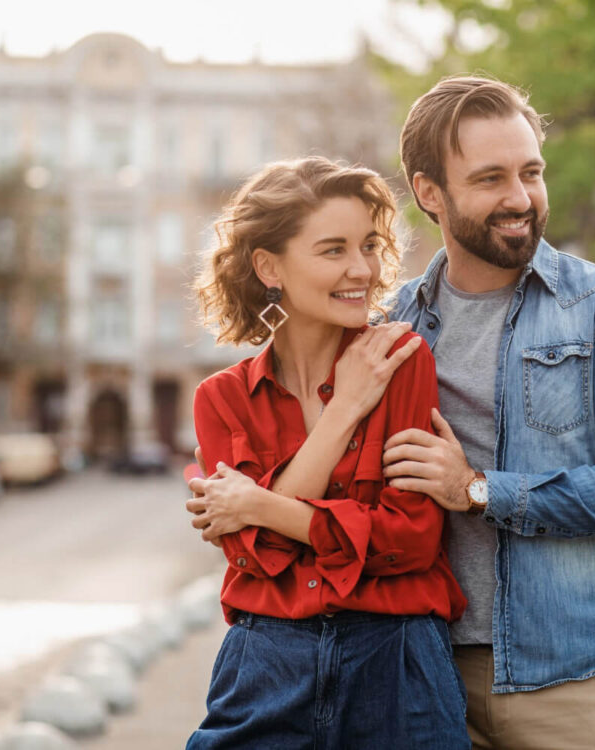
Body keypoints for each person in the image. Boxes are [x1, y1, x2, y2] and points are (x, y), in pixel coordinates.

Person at [380, 75, 595, 749]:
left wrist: (479, 489)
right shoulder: (392, 325)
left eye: (531, 172)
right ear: (430, 193)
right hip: (425, 678)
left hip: (565, 679)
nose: (520, 198)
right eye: (490, 178)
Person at [183, 156, 471, 749]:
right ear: (270, 266)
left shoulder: (400, 359)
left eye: (369, 245)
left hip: (396, 659)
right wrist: (344, 411)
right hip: (266, 661)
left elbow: (412, 539)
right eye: (333, 249)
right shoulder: (223, 399)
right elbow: (253, 556)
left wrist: (262, 505)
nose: (362, 269)